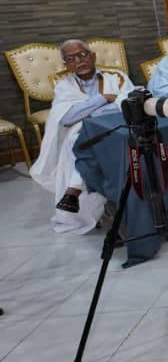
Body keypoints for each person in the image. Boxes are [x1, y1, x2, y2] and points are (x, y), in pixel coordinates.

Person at [30, 40, 135, 234]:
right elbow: (67, 117)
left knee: (88, 142)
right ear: (67, 65)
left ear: (92, 56)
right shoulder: (64, 86)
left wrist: (88, 111)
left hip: (117, 129)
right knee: (80, 141)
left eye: (82, 54)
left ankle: (73, 190)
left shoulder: (116, 77)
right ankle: (94, 200)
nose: (78, 61)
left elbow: (127, 104)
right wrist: (103, 98)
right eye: (71, 59)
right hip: (83, 134)